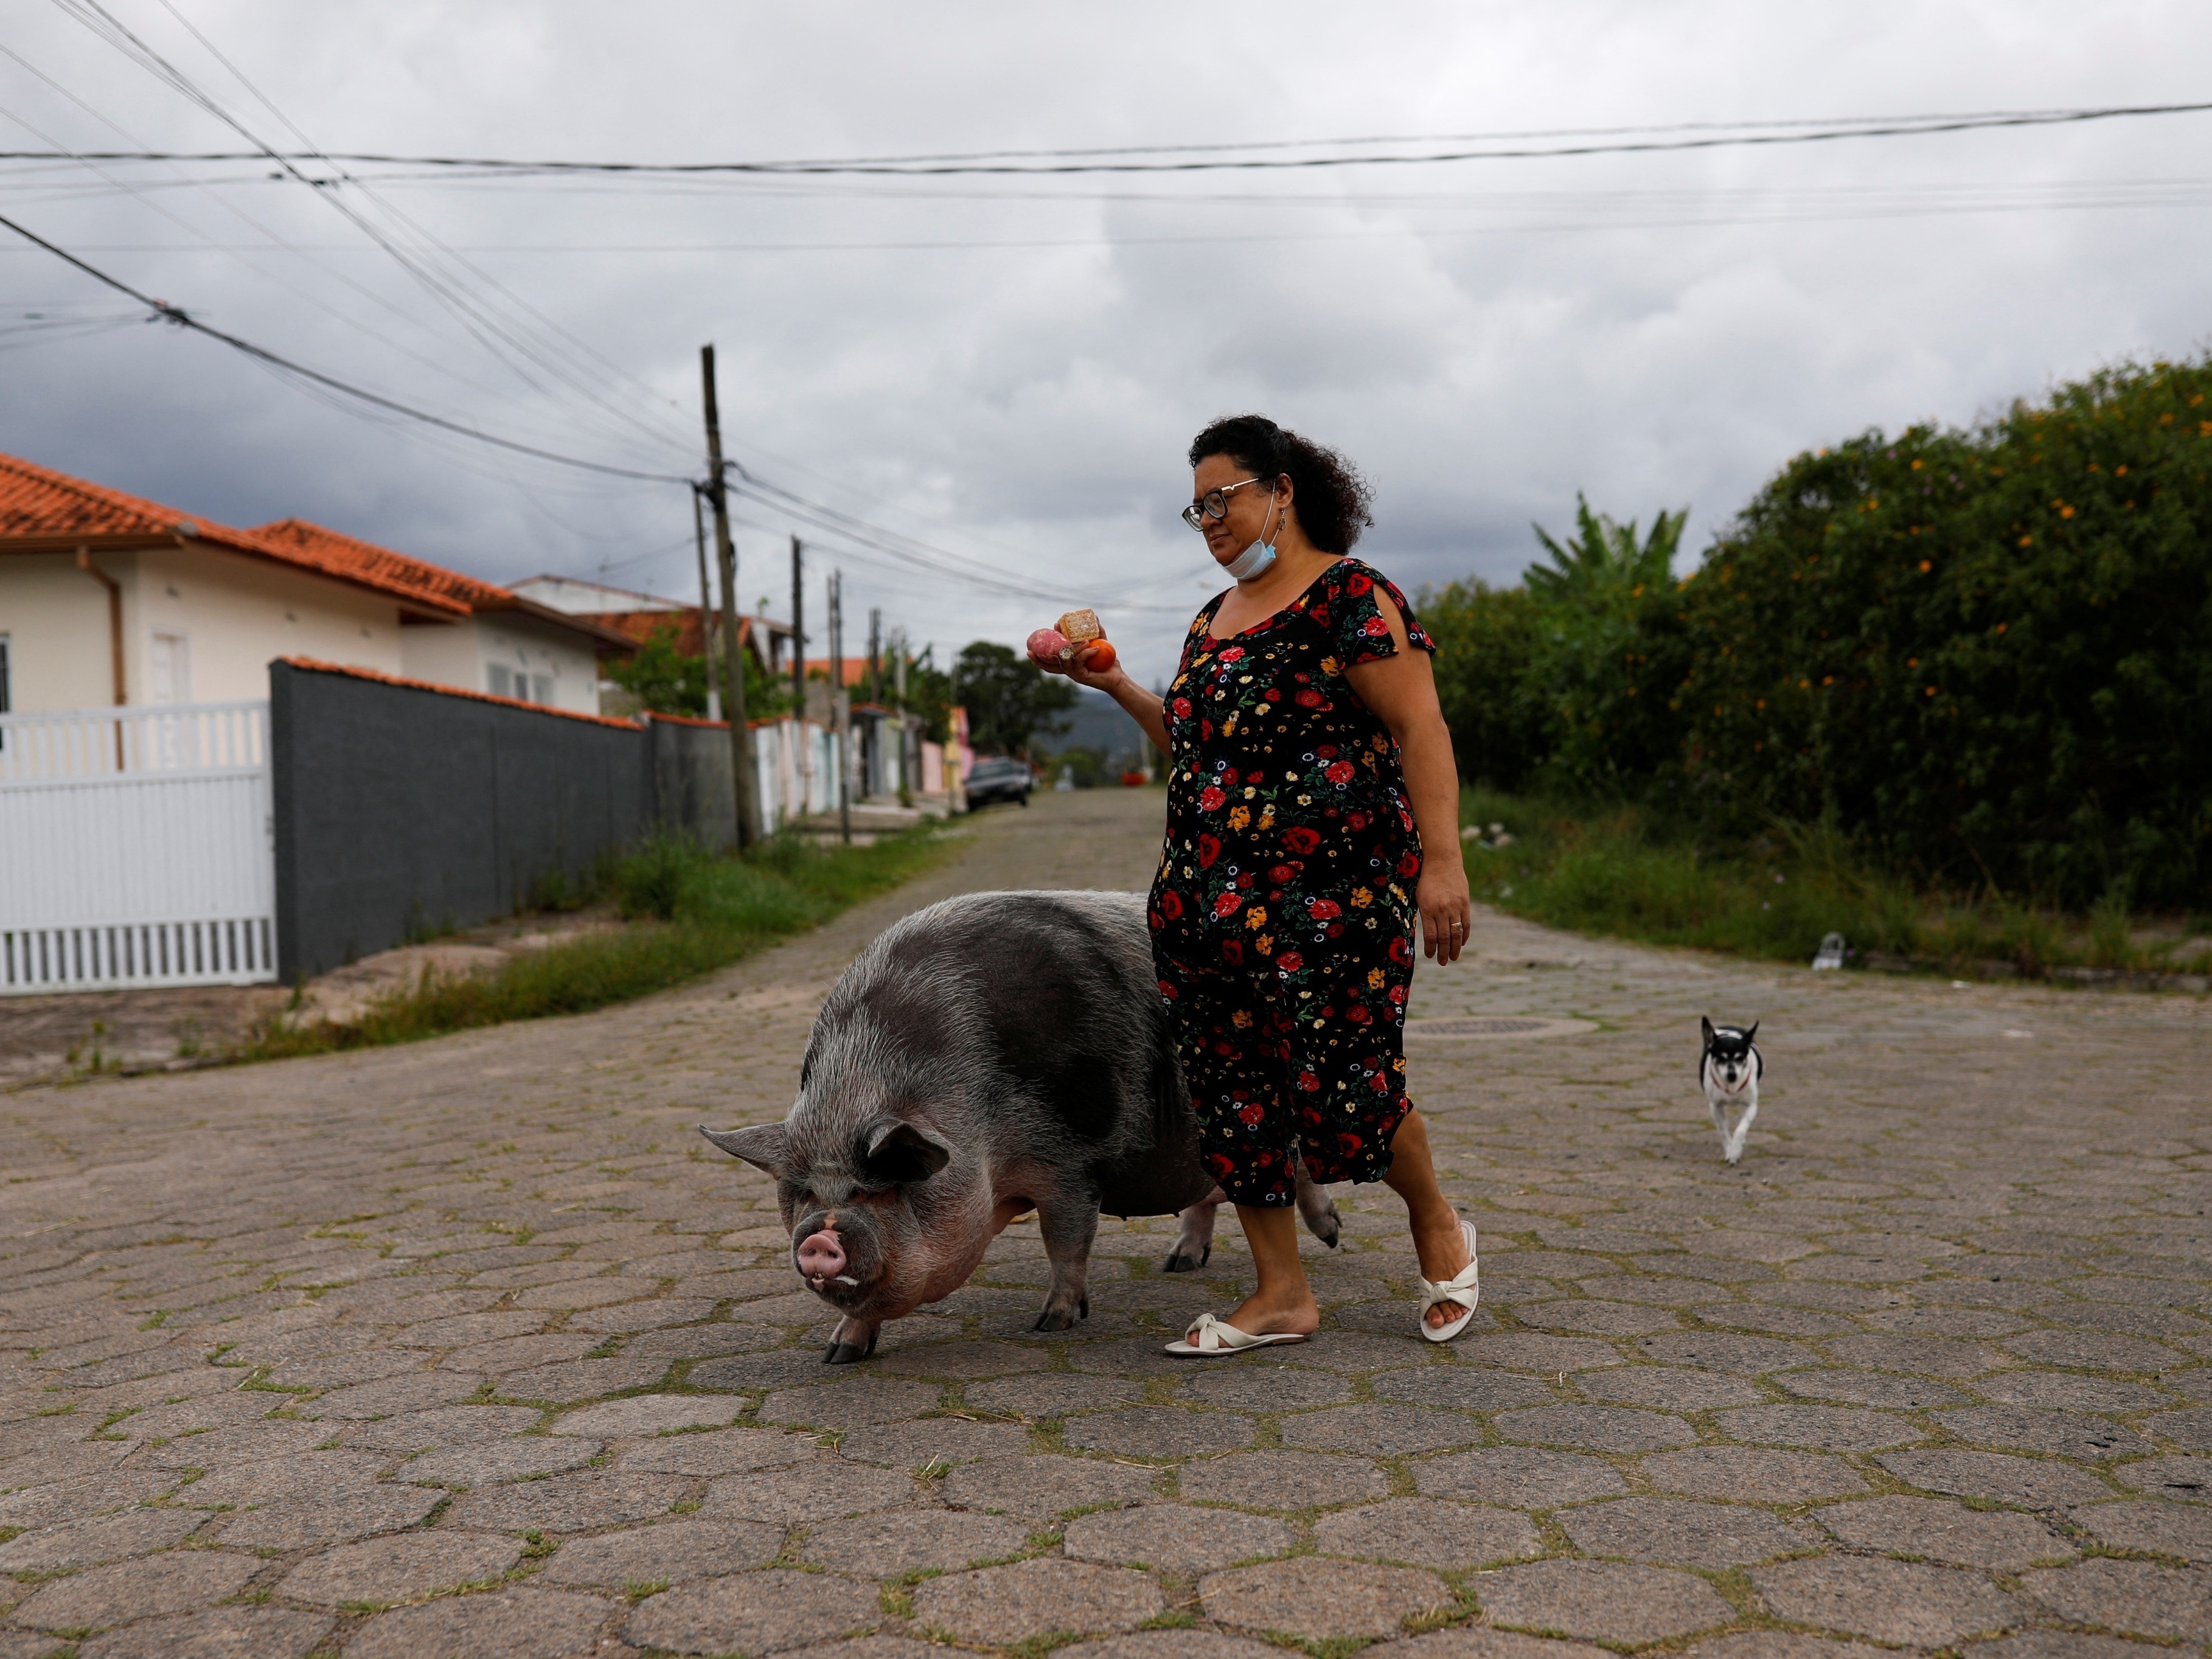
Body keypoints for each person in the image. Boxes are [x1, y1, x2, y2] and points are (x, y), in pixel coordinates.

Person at [1049, 413, 1478, 1351]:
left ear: (1282, 489)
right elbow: (1197, 748)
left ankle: (1435, 1218)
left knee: (1350, 1089)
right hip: (1204, 903)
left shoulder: (1353, 598)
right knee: (1235, 1096)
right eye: (1195, 507)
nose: (1208, 519)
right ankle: (1282, 1292)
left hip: (1333, 898)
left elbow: (1422, 730)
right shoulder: (1212, 622)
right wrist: (1117, 685)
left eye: (1223, 497)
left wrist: (1442, 864)